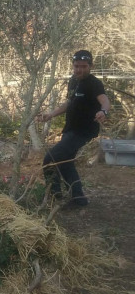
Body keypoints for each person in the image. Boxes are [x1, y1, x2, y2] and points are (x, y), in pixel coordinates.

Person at [38, 50, 110, 206]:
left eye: (83, 66)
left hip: (82, 131)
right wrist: (51, 114)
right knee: (65, 162)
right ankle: (79, 198)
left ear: (90, 66)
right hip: (70, 129)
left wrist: (103, 111)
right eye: (77, 66)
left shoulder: (94, 83)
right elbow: (69, 103)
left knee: (50, 159)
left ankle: (54, 196)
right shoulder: (73, 81)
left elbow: (105, 101)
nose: (79, 69)